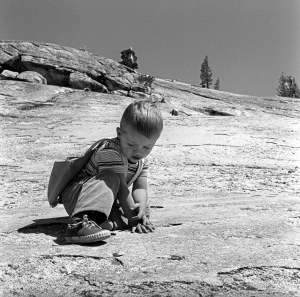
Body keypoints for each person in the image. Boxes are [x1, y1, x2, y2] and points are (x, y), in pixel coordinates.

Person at [61, 100, 163, 244]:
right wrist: (134, 220)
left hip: (107, 200)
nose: (138, 151)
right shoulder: (111, 151)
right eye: (131, 144)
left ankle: (105, 224)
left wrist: (140, 212)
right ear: (119, 133)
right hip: (80, 196)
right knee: (111, 178)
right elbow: (121, 187)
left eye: (147, 147)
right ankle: (78, 224)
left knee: (142, 209)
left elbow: (140, 188)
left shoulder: (142, 161)